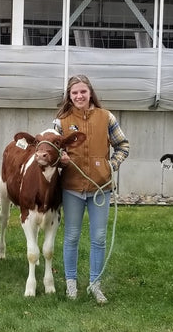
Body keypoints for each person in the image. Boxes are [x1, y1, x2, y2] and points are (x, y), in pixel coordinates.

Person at [54, 74, 130, 304]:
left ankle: (95, 285)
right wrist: (61, 160)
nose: (79, 96)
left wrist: (110, 165)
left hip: (101, 188)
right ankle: (71, 284)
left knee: (98, 237)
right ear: (69, 95)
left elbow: (122, 145)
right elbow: (52, 151)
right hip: (72, 187)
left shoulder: (106, 117)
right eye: (74, 92)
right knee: (72, 237)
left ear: (90, 93)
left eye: (83, 92)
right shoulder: (61, 121)